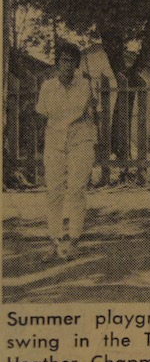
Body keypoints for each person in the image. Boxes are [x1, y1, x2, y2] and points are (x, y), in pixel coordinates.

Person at [36, 43, 96, 261]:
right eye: (63, 60)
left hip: (80, 140)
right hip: (54, 142)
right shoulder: (48, 87)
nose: (66, 65)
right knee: (53, 190)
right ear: (57, 63)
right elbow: (43, 114)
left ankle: (74, 241)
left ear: (76, 64)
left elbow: (81, 113)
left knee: (77, 189)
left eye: (71, 61)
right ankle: (54, 241)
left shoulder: (85, 86)